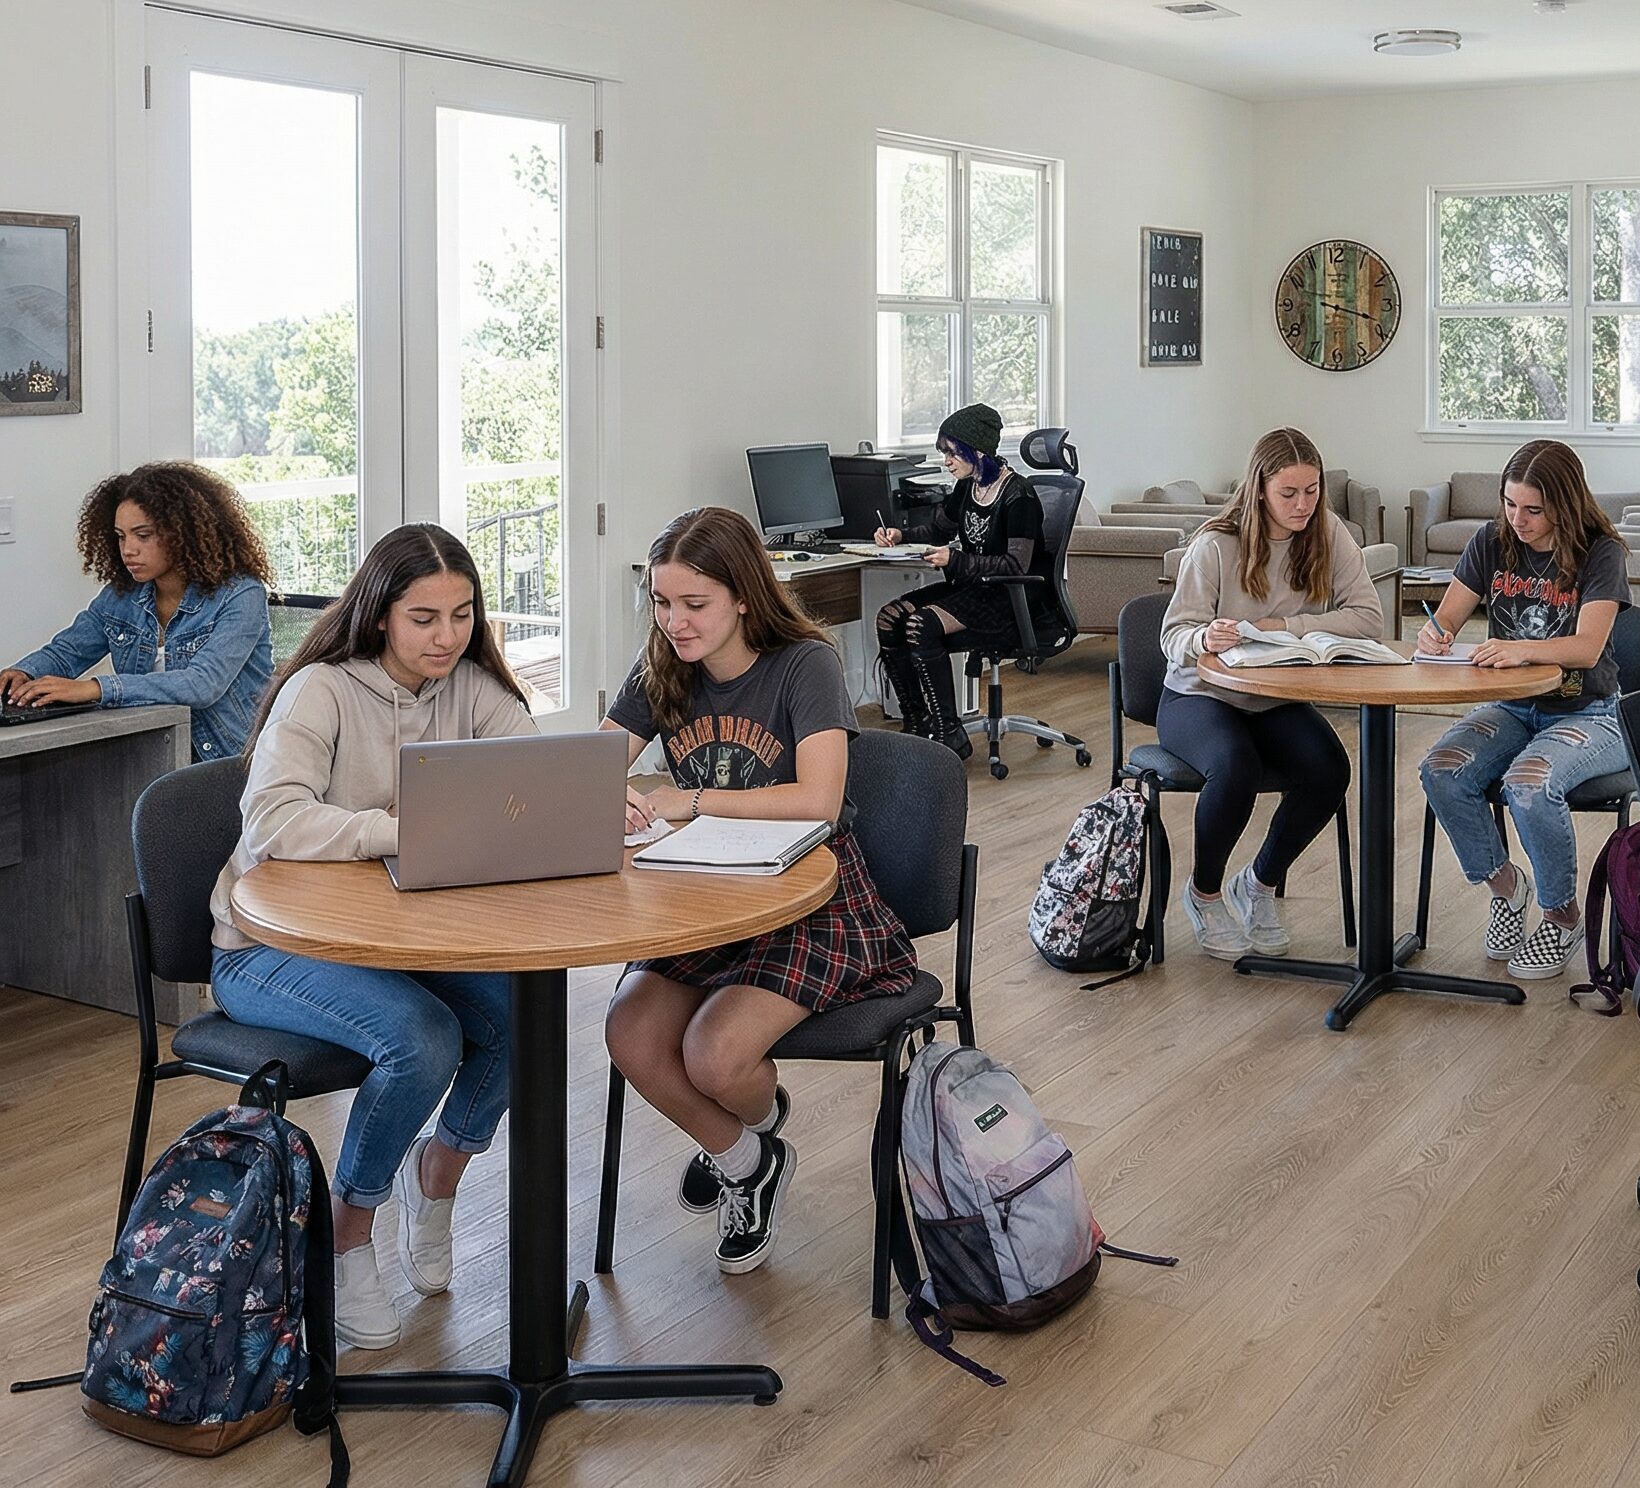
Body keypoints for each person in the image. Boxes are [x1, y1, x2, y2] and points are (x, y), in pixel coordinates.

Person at [207, 523, 533, 1351]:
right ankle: (348, 1236)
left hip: (398, 939)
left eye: (462, 616)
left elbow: (530, 783)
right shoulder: (322, 688)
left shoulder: (473, 687)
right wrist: (396, 829)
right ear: (380, 612)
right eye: (424, 617)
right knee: (422, 1038)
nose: (447, 636)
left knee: (524, 1013)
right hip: (267, 949)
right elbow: (274, 821)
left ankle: (439, 1173)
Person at [603, 508, 917, 1276]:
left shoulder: (804, 664)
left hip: (812, 898)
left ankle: (744, 1121)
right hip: (706, 896)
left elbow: (817, 800)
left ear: (743, 594)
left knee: (714, 1057)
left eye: (694, 604)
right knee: (629, 1033)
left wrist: (691, 799)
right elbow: (596, 761)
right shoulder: (662, 666)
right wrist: (602, 791)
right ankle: (748, 1157)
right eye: (662, 603)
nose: (675, 622)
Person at [1157, 427, 1383, 960]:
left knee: (1330, 768)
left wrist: (1287, 624)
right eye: (1290, 493)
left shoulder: (1328, 532)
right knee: (1234, 765)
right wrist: (1203, 637)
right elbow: (1173, 636)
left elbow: (1369, 617)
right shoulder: (1215, 544)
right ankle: (1205, 893)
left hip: (1274, 693)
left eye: (1313, 491)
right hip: (1198, 695)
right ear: (1260, 488)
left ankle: (1258, 884)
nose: (1304, 505)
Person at [1415, 439, 1632, 981]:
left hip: (1590, 712)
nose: (1518, 520)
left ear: (1566, 502)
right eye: (1510, 505)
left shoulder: (1601, 551)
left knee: (1529, 785)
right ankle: (1508, 889)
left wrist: (1520, 647)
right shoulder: (1493, 540)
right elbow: (1447, 618)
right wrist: (1435, 633)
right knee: (1439, 771)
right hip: (1513, 709)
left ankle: (1562, 916)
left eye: (1532, 509)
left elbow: (1585, 648)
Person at [3, 463, 275, 760]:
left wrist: (94, 689)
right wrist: (24, 672)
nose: (128, 549)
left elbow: (202, 684)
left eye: (143, 536)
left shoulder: (240, 593)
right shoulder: (121, 596)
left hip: (230, 762)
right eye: (121, 536)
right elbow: (66, 652)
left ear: (184, 535)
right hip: (149, 751)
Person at [871, 401, 1057, 759]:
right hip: (972, 588)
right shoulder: (967, 488)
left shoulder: (1019, 497)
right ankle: (917, 722)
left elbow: (1015, 565)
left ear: (978, 451)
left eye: (953, 453)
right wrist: (901, 535)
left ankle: (948, 731)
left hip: (1009, 600)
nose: (947, 461)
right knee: (889, 618)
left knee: (920, 625)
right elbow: (939, 529)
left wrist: (955, 560)